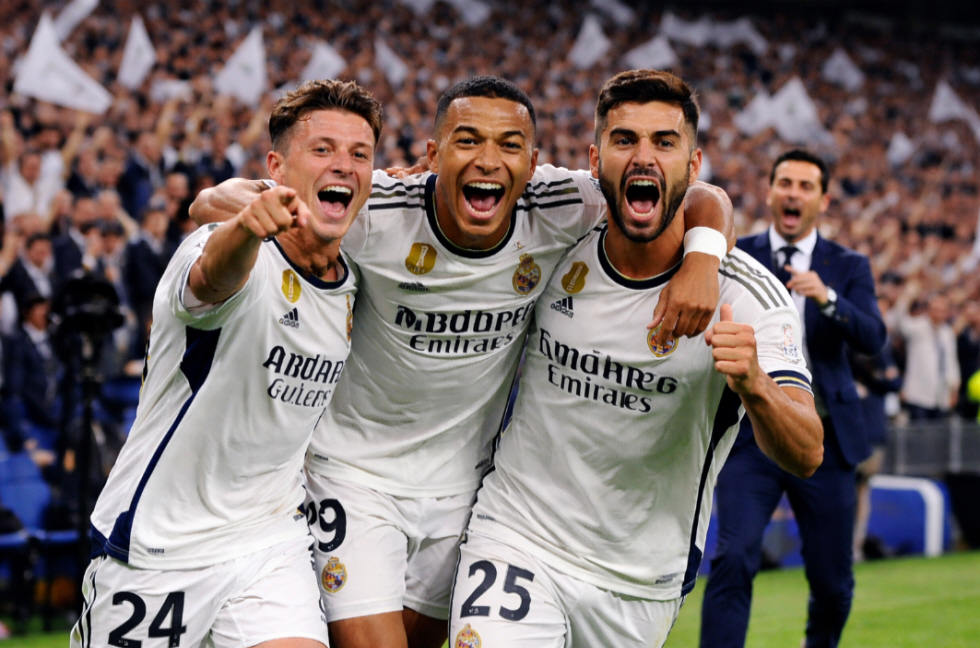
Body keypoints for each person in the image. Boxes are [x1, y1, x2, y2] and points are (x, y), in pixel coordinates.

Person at [191, 75, 736, 648]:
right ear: (433, 156)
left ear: (532, 166)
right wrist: (273, 211)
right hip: (355, 477)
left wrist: (702, 258)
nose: (488, 160)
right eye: (468, 140)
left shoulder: (561, 205)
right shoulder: (379, 208)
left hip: (463, 492)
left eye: (509, 145)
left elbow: (697, 193)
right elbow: (211, 201)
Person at [447, 69, 822, 648]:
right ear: (595, 160)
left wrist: (755, 385)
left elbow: (806, 452)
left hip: (640, 579)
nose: (643, 156)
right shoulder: (557, 234)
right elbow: (468, 175)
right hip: (518, 536)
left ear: (693, 167)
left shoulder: (748, 296)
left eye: (664, 142)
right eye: (625, 140)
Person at [70, 79, 382, 648]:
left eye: (360, 154)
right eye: (323, 149)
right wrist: (245, 227)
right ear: (276, 168)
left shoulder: (356, 278)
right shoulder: (221, 244)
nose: (344, 164)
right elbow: (213, 277)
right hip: (159, 548)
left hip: (268, 542)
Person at [700, 149, 887, 648]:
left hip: (824, 440)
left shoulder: (848, 266)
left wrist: (829, 299)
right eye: (785, 183)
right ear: (769, 192)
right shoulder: (736, 255)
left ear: (823, 200)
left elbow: (874, 337)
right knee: (733, 557)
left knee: (832, 583)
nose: (793, 193)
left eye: (806, 186)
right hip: (749, 438)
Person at [895, 292, 960, 420]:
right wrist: (907, 296)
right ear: (928, 309)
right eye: (935, 308)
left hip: (941, 395)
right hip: (919, 395)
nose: (939, 313)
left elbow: (951, 361)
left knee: (938, 431)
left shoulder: (947, 333)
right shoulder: (917, 327)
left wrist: (954, 388)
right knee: (920, 430)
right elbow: (899, 321)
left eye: (942, 310)